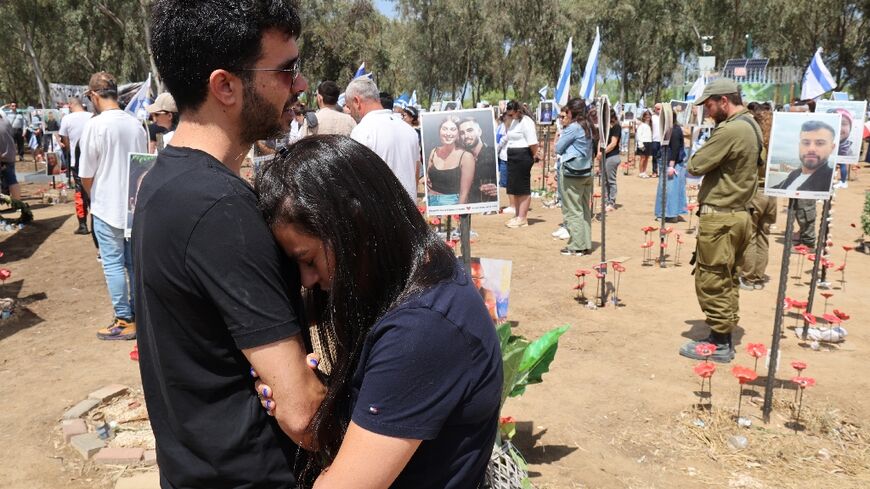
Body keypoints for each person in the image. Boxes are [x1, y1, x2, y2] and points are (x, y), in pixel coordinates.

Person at [137, 2, 324, 488]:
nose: (300, 85)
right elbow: (302, 412)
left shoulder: (165, 180)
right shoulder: (219, 208)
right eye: (286, 70)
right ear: (225, 86)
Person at [255, 134, 502, 488]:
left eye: (308, 260)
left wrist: (302, 420)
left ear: (354, 225)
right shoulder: (424, 273)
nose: (308, 280)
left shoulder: (422, 329)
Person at [679, 78, 760, 364]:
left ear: (724, 101)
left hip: (722, 218)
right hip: (739, 214)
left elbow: (695, 165)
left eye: (710, 106)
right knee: (728, 277)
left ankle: (719, 342)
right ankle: (724, 329)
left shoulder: (731, 130)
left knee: (712, 277)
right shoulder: (751, 124)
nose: (708, 112)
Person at [78, 71, 147, 340]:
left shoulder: (95, 126)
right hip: (133, 205)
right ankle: (137, 313)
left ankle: (123, 318)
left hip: (107, 205)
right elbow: (144, 162)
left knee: (113, 264)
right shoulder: (136, 124)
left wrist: (94, 194)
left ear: (94, 95)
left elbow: (86, 174)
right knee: (131, 263)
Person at [346, 77, 421, 201]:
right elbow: (416, 171)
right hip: (408, 212)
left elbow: (359, 181)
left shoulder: (362, 131)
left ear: (357, 101)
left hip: (381, 213)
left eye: (349, 107)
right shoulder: (409, 131)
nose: (350, 112)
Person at [739, 108, 776, 291]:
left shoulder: (756, 144)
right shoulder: (776, 145)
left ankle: (748, 277)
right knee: (763, 236)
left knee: (750, 236)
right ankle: (759, 276)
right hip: (772, 195)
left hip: (756, 193)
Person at [555, 99, 594, 256]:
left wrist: (561, 134)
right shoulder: (589, 126)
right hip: (587, 171)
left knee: (573, 209)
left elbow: (558, 148)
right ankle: (585, 243)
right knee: (584, 208)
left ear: (572, 112)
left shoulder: (573, 127)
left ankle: (576, 245)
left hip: (572, 172)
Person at [58, 97, 94, 234]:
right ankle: (96, 222)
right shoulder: (92, 116)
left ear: (72, 105)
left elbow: (65, 140)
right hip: (93, 160)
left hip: (77, 161)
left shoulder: (67, 119)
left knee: (80, 193)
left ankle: (83, 225)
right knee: (94, 192)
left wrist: (70, 151)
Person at [771, 120, 836, 193]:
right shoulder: (795, 173)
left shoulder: (830, 180)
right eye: (806, 143)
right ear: (799, 146)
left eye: (819, 143)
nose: (811, 149)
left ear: (832, 148)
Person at [503, 100, 539, 228]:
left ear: (518, 111)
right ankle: (517, 215)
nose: (510, 116)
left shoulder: (527, 122)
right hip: (512, 157)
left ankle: (522, 217)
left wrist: (533, 156)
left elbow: (533, 143)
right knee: (514, 187)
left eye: (512, 114)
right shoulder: (514, 122)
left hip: (523, 156)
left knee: (522, 188)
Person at [425, 116, 475, 206]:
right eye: (444, 129)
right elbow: (428, 179)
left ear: (458, 134)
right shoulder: (433, 152)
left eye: (453, 129)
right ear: (439, 131)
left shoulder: (466, 156)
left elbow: (464, 193)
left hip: (453, 204)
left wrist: (457, 213)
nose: (448, 133)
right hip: (431, 202)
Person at [654, 110, 687, 221]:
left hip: (673, 164)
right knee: (669, 188)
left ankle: (669, 214)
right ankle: (669, 213)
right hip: (668, 161)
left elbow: (675, 149)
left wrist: (671, 166)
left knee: (669, 189)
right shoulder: (669, 130)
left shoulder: (675, 131)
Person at [459, 117, 497, 203]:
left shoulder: (492, 153)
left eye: (470, 130)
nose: (466, 136)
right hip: (468, 206)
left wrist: (496, 187)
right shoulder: (460, 157)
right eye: (462, 133)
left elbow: (502, 179)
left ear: (479, 132)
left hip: (488, 206)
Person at [601, 110, 621, 212]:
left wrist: (603, 152)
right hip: (606, 156)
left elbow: (613, 143)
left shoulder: (616, 127)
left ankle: (611, 202)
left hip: (612, 156)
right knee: (604, 181)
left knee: (611, 181)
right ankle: (605, 201)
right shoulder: (605, 127)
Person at [828, 108, 853, 189]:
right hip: (833, 146)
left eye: (844, 124)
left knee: (841, 163)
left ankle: (842, 181)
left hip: (838, 147)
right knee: (838, 164)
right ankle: (840, 181)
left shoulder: (834, 121)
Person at [0, 115, 21, 200]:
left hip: (2, 155)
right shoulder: (5, 120)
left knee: (11, 179)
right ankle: (18, 204)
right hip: (9, 153)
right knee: (12, 179)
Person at [635, 111, 652, 178]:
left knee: (647, 158)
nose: (648, 117)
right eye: (646, 116)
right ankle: (641, 172)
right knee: (642, 158)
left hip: (649, 142)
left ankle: (644, 171)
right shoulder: (641, 125)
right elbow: (638, 135)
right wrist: (640, 144)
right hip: (643, 143)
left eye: (649, 116)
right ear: (644, 117)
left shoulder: (649, 125)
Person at [650, 103, 662, 177]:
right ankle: (654, 171)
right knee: (654, 157)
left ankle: (661, 171)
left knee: (661, 157)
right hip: (654, 140)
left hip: (662, 140)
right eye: (656, 108)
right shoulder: (652, 117)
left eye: (659, 108)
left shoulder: (664, 117)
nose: (657, 110)